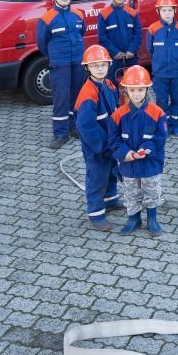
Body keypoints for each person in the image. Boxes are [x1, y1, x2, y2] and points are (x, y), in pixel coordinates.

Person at [108, 65, 168, 236]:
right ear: (126, 89)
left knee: (151, 190)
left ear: (147, 89)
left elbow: (160, 137)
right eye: (132, 90)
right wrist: (125, 153)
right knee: (131, 192)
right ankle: (134, 219)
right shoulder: (118, 115)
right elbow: (113, 139)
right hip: (129, 165)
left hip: (151, 163)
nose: (136, 94)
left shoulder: (157, 113)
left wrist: (147, 148)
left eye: (140, 90)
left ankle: (152, 219)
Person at [74, 45, 121, 231]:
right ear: (87, 68)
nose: (100, 69)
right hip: (97, 147)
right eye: (95, 66)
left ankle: (110, 200)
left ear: (109, 65)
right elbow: (86, 125)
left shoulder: (109, 85)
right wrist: (103, 146)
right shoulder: (88, 93)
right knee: (97, 178)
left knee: (111, 173)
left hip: (109, 143)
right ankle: (96, 214)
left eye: (103, 65)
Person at [36, 0, 85, 149]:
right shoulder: (47, 18)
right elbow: (42, 42)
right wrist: (56, 56)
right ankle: (60, 134)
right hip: (60, 64)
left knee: (76, 96)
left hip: (78, 61)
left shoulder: (78, 14)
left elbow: (82, 33)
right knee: (61, 98)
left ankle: (74, 128)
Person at [147, 0, 178, 138]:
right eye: (164, 10)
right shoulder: (152, 29)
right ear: (158, 11)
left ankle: (176, 125)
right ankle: (164, 126)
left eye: (170, 10)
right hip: (160, 74)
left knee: (177, 99)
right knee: (162, 101)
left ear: (175, 11)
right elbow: (150, 51)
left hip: (177, 73)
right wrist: (158, 65)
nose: (167, 13)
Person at [97, 0, 142, 83]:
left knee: (133, 84)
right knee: (112, 85)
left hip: (131, 57)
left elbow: (138, 35)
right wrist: (115, 52)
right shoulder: (104, 14)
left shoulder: (132, 13)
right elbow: (102, 38)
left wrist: (132, 50)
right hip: (113, 58)